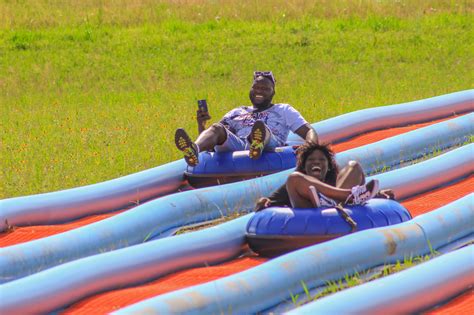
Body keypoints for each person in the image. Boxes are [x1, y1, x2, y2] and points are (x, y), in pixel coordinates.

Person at [175, 71, 318, 166]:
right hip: (239, 146)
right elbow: (214, 143)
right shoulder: (236, 112)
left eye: (265, 89)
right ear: (250, 89)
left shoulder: (283, 109)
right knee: (217, 128)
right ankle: (193, 149)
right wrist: (201, 125)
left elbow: (309, 131)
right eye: (256, 88)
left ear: (273, 93)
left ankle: (257, 143)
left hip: (270, 146)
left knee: (261, 128)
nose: (259, 91)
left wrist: (310, 149)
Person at [255, 142, 395, 210]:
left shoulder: (334, 178)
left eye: (322, 160)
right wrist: (263, 202)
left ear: (328, 167)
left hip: (338, 209)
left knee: (354, 166)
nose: (316, 162)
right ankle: (346, 196)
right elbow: (269, 202)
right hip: (309, 215)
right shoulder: (298, 179)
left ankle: (333, 200)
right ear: (304, 166)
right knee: (293, 178)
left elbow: (363, 196)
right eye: (311, 160)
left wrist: (378, 194)